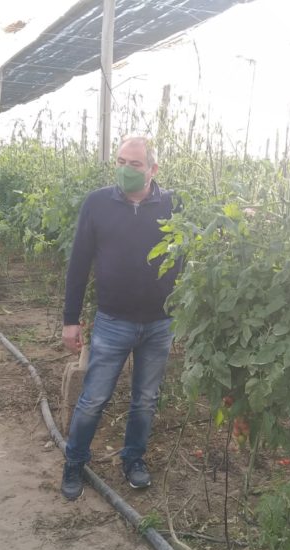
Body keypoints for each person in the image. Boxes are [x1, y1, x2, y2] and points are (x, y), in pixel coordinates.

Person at [61, 136, 180, 500]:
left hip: (160, 323)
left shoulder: (174, 205)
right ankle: (74, 462)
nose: (126, 169)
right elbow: (79, 263)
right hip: (113, 320)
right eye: (121, 161)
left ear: (153, 170)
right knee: (94, 397)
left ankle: (133, 460)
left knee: (145, 398)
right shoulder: (98, 203)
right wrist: (71, 319)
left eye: (135, 164)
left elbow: (191, 254)